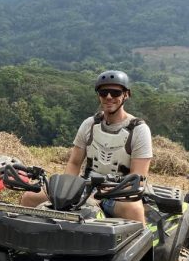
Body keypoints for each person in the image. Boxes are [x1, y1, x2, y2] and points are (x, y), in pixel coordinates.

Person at [20, 70, 153, 223]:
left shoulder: (138, 130)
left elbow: (138, 179)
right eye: (104, 92)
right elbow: (74, 163)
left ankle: (146, 247)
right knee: (30, 198)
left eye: (115, 92)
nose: (109, 97)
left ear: (126, 95)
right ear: (99, 95)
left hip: (118, 193)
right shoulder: (90, 124)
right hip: (85, 187)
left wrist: (101, 195)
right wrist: (65, 192)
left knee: (134, 210)